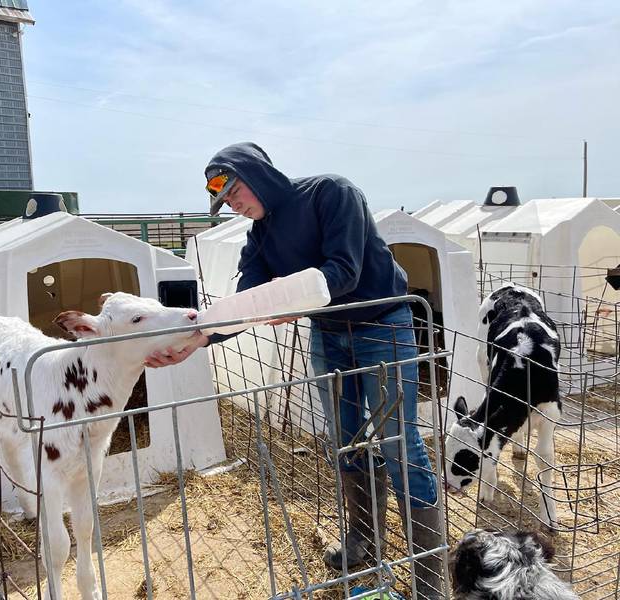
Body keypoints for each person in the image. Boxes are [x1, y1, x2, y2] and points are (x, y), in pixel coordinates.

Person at [146, 142, 445, 599]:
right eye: (226, 202)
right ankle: (365, 537)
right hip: (329, 334)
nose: (234, 205)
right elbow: (246, 304)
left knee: (397, 442)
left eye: (235, 192)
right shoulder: (258, 237)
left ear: (256, 174)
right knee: (345, 439)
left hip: (383, 325)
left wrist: (287, 298)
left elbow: (343, 271)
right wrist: (199, 338)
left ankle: (429, 577)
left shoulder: (332, 193)